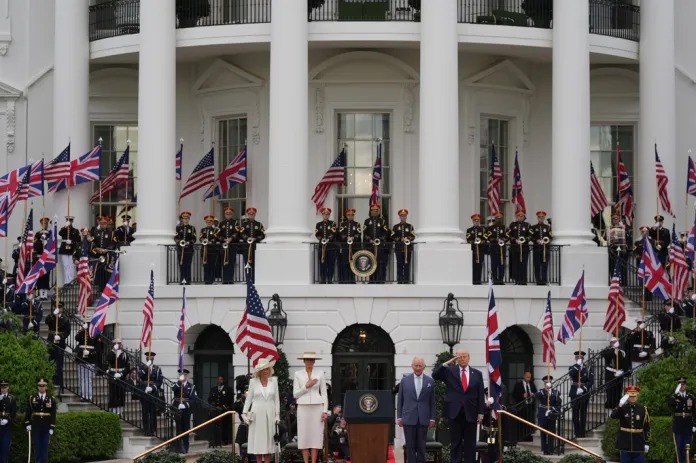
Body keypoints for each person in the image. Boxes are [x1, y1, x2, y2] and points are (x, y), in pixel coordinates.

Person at [432, 350, 485, 463]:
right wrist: (448, 362)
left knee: (470, 442)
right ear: (456, 359)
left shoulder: (477, 373)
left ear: (468, 358)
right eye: (459, 357)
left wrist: (481, 413)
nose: (462, 359)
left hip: (471, 412)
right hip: (454, 412)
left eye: (464, 357)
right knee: (455, 442)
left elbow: (480, 394)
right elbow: (435, 374)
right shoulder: (450, 371)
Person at [398, 357, 436, 463]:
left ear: (424, 367)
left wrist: (432, 418)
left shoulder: (430, 381)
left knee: (421, 447)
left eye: (420, 366)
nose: (418, 368)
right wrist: (399, 416)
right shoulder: (405, 381)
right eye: (416, 366)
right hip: (408, 418)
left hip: (423, 418)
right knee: (410, 447)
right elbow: (400, 400)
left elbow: (432, 401)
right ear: (412, 366)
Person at [293, 352, 328, 463]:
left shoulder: (320, 373)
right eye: (307, 360)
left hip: (317, 407)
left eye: (311, 360)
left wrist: (324, 411)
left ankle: (313, 461)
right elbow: (295, 394)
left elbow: (324, 394)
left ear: (314, 361)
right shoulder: (298, 374)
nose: (309, 362)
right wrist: (306, 386)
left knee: (316, 436)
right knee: (304, 436)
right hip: (303, 408)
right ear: (304, 361)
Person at [242, 359, 280, 463]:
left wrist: (277, 415)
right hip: (257, 415)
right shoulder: (253, 382)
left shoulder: (274, 381)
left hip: (270, 415)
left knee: (269, 444)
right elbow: (249, 399)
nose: (265, 371)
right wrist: (244, 413)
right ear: (259, 371)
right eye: (263, 369)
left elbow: (277, 400)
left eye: (267, 369)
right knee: (258, 443)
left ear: (270, 370)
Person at [611, 385, 650, 463]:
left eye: (634, 396)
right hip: (625, 442)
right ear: (627, 397)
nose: (632, 398)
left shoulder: (643, 409)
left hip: (639, 442)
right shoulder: (622, 408)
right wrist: (620, 405)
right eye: (630, 396)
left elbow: (646, 427)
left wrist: (647, 442)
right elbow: (613, 416)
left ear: (637, 396)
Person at [25, 378, 56, 463]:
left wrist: (52, 427)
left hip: (46, 426)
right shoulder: (32, 398)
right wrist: (27, 423)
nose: (41, 387)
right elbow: (28, 412)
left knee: (45, 447)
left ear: (46, 387)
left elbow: (53, 414)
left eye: (43, 386)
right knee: (37, 446)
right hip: (36, 426)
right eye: (40, 386)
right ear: (37, 387)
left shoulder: (51, 399)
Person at [45, 300, 70, 389]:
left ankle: (59, 381)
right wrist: (53, 315)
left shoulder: (65, 319)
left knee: (59, 363)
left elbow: (67, 331)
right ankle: (51, 379)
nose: (59, 309)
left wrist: (61, 336)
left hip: (60, 342)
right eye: (57, 307)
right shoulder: (52, 316)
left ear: (62, 308)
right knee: (51, 361)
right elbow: (46, 322)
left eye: (60, 307)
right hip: (51, 341)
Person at [568, 351, 593, 438]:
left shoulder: (588, 368)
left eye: (581, 358)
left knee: (583, 413)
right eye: (578, 357)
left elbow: (591, 381)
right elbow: (571, 375)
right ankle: (576, 432)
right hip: (574, 393)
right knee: (575, 414)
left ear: (583, 358)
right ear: (575, 358)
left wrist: (584, 388)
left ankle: (582, 432)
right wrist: (577, 366)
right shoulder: (572, 367)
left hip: (584, 393)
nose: (580, 359)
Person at [670, 376, 695, 463]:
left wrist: (694, 424)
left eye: (683, 384)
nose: (682, 386)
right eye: (680, 385)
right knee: (679, 448)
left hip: (688, 426)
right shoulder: (674, 396)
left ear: (686, 385)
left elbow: (694, 411)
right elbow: (671, 403)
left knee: (687, 447)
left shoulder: (691, 397)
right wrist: (676, 394)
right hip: (678, 427)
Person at [172, 368, 198, 453]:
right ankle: (178, 446)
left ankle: (185, 446)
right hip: (177, 408)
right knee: (178, 427)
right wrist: (180, 381)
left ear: (187, 376)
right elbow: (173, 389)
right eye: (181, 374)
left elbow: (193, 399)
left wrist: (186, 405)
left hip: (186, 410)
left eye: (184, 375)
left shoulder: (191, 386)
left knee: (185, 428)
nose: (183, 376)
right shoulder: (177, 384)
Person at [363, 204, 390, 283]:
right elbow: (364, 233)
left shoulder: (382, 221)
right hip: (370, 246)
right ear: (370, 212)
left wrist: (380, 239)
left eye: (376, 211)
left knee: (380, 263)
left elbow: (386, 232)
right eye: (372, 210)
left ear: (378, 212)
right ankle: (372, 280)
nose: (374, 212)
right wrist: (369, 240)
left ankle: (380, 280)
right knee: (371, 263)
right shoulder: (367, 221)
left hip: (380, 246)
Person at [139, 352, 163, 436]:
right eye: (147, 357)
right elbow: (140, 376)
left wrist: (153, 388)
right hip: (144, 391)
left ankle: (152, 429)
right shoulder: (142, 367)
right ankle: (146, 429)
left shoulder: (157, 369)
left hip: (153, 392)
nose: (149, 358)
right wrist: (146, 367)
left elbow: (159, 381)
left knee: (153, 411)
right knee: (145, 411)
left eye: (151, 357)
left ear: (153, 358)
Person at [535, 375, 561, 455]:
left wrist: (553, 410)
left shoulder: (555, 393)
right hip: (543, 413)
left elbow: (558, 403)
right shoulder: (541, 391)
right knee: (543, 432)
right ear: (544, 383)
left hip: (551, 414)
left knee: (551, 432)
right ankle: (544, 449)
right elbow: (536, 395)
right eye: (546, 382)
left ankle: (550, 449)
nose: (548, 384)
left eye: (549, 382)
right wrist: (545, 391)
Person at [238, 207, 265, 282]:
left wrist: (255, 239)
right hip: (246, 247)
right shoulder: (244, 224)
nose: (251, 215)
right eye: (250, 214)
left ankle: (255, 279)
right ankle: (248, 279)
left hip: (255, 247)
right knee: (247, 263)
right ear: (248, 215)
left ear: (255, 214)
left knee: (256, 263)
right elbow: (241, 233)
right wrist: (247, 238)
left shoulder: (259, 224)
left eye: (252, 214)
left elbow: (262, 234)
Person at [91, 216, 117, 292]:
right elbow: (92, 242)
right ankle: (100, 287)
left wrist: (106, 249)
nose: (103, 225)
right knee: (98, 271)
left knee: (107, 271)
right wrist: (97, 248)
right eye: (101, 224)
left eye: (104, 224)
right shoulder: (95, 232)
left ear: (107, 224)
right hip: (98, 255)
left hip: (107, 255)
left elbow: (114, 242)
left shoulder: (111, 233)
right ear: (99, 224)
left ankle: (107, 287)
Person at [74, 322, 97, 402]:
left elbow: (98, 347)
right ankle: (83, 395)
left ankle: (89, 396)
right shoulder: (82, 332)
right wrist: (83, 330)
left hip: (90, 358)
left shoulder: (94, 333)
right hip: (81, 357)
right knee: (82, 378)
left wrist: (90, 352)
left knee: (89, 379)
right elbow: (76, 338)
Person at [602, 337, 627, 410]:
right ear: (610, 343)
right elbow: (606, 356)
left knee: (618, 390)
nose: (615, 343)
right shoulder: (607, 350)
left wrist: (623, 372)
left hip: (619, 373)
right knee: (610, 390)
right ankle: (610, 404)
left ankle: (617, 406)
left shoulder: (621, 352)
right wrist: (613, 350)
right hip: (610, 373)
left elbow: (624, 363)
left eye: (616, 342)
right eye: (613, 342)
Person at [106, 339, 129, 416]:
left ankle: (119, 411)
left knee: (121, 394)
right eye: (116, 343)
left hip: (121, 376)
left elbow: (127, 367)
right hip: (113, 374)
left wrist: (122, 374)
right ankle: (113, 410)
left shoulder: (124, 354)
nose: (118, 345)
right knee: (113, 393)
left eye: (119, 343)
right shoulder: (111, 353)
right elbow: (108, 360)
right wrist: (113, 351)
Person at [511, 370, 536, 441]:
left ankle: (529, 436)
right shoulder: (518, 385)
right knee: (522, 423)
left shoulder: (532, 384)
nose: (528, 379)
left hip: (530, 406)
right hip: (522, 407)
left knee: (530, 422)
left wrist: (533, 394)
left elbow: (536, 392)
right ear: (524, 376)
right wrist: (522, 396)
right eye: (527, 377)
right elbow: (514, 395)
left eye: (530, 377)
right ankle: (522, 437)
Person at [392, 209, 416, 284]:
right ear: (399, 217)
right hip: (399, 248)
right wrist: (400, 239)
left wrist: (407, 238)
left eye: (404, 216)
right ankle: (399, 280)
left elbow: (413, 236)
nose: (403, 217)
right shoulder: (395, 227)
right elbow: (392, 236)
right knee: (399, 264)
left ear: (406, 217)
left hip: (407, 249)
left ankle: (406, 280)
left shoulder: (410, 226)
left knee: (406, 265)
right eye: (402, 216)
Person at [337, 209, 361, 283]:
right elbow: (340, 233)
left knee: (353, 263)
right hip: (345, 247)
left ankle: (352, 280)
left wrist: (353, 238)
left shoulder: (357, 224)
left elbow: (359, 233)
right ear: (346, 216)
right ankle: (345, 279)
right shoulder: (343, 224)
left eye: (352, 215)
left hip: (354, 247)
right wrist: (346, 238)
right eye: (349, 215)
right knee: (345, 263)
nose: (350, 216)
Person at [507, 210, 531, 285]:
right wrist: (514, 240)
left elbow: (530, 235)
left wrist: (525, 240)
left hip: (524, 248)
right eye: (518, 216)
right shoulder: (512, 224)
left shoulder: (527, 225)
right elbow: (508, 234)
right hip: (515, 248)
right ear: (516, 216)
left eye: (522, 216)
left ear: (524, 217)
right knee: (515, 264)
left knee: (523, 264)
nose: (520, 217)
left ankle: (523, 280)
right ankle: (517, 280)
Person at [209, 375, 233, 446]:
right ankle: (215, 441)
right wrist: (214, 405)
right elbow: (210, 399)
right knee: (215, 426)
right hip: (215, 411)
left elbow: (230, 399)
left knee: (224, 426)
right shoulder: (213, 389)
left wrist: (224, 407)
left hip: (224, 410)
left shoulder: (228, 389)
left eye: (221, 379)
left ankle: (224, 440)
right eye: (218, 379)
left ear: (223, 380)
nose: (220, 381)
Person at [529, 211, 553, 285]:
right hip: (537, 248)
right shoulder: (533, 227)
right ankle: (538, 280)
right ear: (537, 218)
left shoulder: (547, 227)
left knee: (545, 265)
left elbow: (551, 237)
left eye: (542, 218)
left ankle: (544, 280)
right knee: (537, 265)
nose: (541, 219)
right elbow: (530, 237)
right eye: (540, 217)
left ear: (544, 218)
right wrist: (536, 240)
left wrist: (546, 241)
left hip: (545, 249)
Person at [315, 207, 337, 284]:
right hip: (322, 247)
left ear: (329, 215)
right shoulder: (318, 224)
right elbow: (317, 234)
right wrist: (321, 240)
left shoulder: (333, 223)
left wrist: (328, 239)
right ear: (322, 215)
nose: (326, 216)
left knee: (330, 264)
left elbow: (333, 232)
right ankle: (323, 279)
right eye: (324, 214)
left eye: (327, 214)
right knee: (322, 264)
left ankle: (330, 279)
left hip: (330, 247)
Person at [480, 387, 501, 463]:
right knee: (485, 453)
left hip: (495, 435)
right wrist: (487, 406)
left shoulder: (498, 407)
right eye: (487, 396)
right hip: (486, 434)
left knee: (495, 453)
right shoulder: (483, 406)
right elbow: (481, 416)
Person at [218, 207, 239, 284]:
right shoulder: (221, 223)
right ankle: (225, 280)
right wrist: (223, 239)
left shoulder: (235, 222)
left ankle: (230, 279)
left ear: (231, 214)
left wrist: (231, 238)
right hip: (224, 246)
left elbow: (237, 232)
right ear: (224, 214)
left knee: (231, 263)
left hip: (232, 246)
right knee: (224, 263)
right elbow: (218, 233)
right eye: (227, 213)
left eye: (229, 213)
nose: (228, 215)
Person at [174, 211, 196, 285]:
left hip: (189, 249)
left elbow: (194, 238)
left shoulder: (192, 228)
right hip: (180, 249)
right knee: (181, 265)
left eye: (187, 218)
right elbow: (176, 238)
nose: (185, 220)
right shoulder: (178, 228)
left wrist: (189, 242)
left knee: (188, 265)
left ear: (189, 219)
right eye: (184, 218)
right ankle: (182, 279)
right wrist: (180, 241)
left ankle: (188, 280)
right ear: (182, 219)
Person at [485, 213, 507, 285]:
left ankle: (501, 279)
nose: (499, 220)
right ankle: (495, 279)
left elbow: (508, 236)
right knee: (494, 265)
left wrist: (504, 239)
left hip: (502, 249)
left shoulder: (504, 227)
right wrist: (494, 240)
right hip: (494, 249)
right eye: (497, 218)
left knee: (502, 265)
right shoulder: (490, 228)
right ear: (495, 219)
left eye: (500, 218)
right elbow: (486, 236)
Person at [58, 216, 80, 285]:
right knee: (65, 265)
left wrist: (72, 242)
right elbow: (60, 233)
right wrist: (65, 226)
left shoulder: (75, 230)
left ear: (72, 221)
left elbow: (78, 239)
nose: (69, 222)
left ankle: (71, 280)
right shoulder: (63, 229)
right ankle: (66, 281)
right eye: (68, 221)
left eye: (70, 221)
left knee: (71, 265)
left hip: (72, 249)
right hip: (64, 249)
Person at [466, 214, 486, 285]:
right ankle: (473, 280)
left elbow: (485, 239)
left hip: (480, 250)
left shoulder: (483, 229)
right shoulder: (469, 230)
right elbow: (468, 239)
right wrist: (474, 242)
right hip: (473, 251)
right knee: (473, 266)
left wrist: (481, 242)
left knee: (479, 265)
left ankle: (478, 280)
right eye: (475, 221)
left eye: (478, 221)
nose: (476, 222)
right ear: (473, 221)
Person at [0, 379, 17, 463]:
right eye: (2, 387)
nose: (3, 389)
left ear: (8, 387)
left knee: (5, 449)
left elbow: (14, 413)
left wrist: (8, 419)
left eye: (5, 387)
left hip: (7, 427)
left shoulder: (12, 398)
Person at [35, 217, 52, 300]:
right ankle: (41, 293)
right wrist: (40, 242)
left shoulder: (49, 233)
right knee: (40, 276)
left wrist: (47, 243)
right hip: (40, 258)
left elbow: (52, 244)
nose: (45, 224)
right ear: (41, 224)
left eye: (46, 223)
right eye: (44, 223)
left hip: (47, 258)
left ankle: (45, 294)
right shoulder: (38, 234)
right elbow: (36, 247)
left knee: (46, 275)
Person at [200, 215, 219, 285]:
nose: (209, 223)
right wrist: (203, 240)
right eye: (207, 222)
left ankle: (211, 279)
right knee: (205, 265)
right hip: (204, 250)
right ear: (206, 222)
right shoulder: (203, 230)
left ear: (212, 222)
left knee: (212, 265)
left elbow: (215, 237)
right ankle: (206, 280)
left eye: (210, 222)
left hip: (212, 250)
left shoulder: (215, 230)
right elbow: (201, 237)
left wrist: (211, 241)